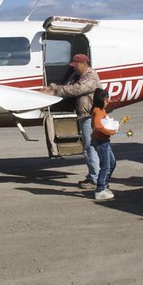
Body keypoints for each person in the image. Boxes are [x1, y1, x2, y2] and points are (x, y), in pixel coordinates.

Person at [42, 53, 101, 188]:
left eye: (76, 65)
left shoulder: (90, 76)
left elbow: (76, 90)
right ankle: (94, 176)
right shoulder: (79, 75)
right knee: (89, 147)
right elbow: (67, 86)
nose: (74, 68)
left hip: (90, 117)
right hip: (84, 115)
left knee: (90, 148)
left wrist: (54, 91)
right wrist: (52, 87)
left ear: (84, 64)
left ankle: (95, 179)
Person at [90, 88, 117, 201]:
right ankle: (100, 189)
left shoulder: (102, 110)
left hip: (104, 141)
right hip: (100, 142)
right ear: (100, 100)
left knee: (112, 163)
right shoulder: (97, 111)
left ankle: (104, 185)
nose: (108, 101)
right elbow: (97, 126)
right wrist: (109, 132)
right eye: (106, 99)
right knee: (105, 166)